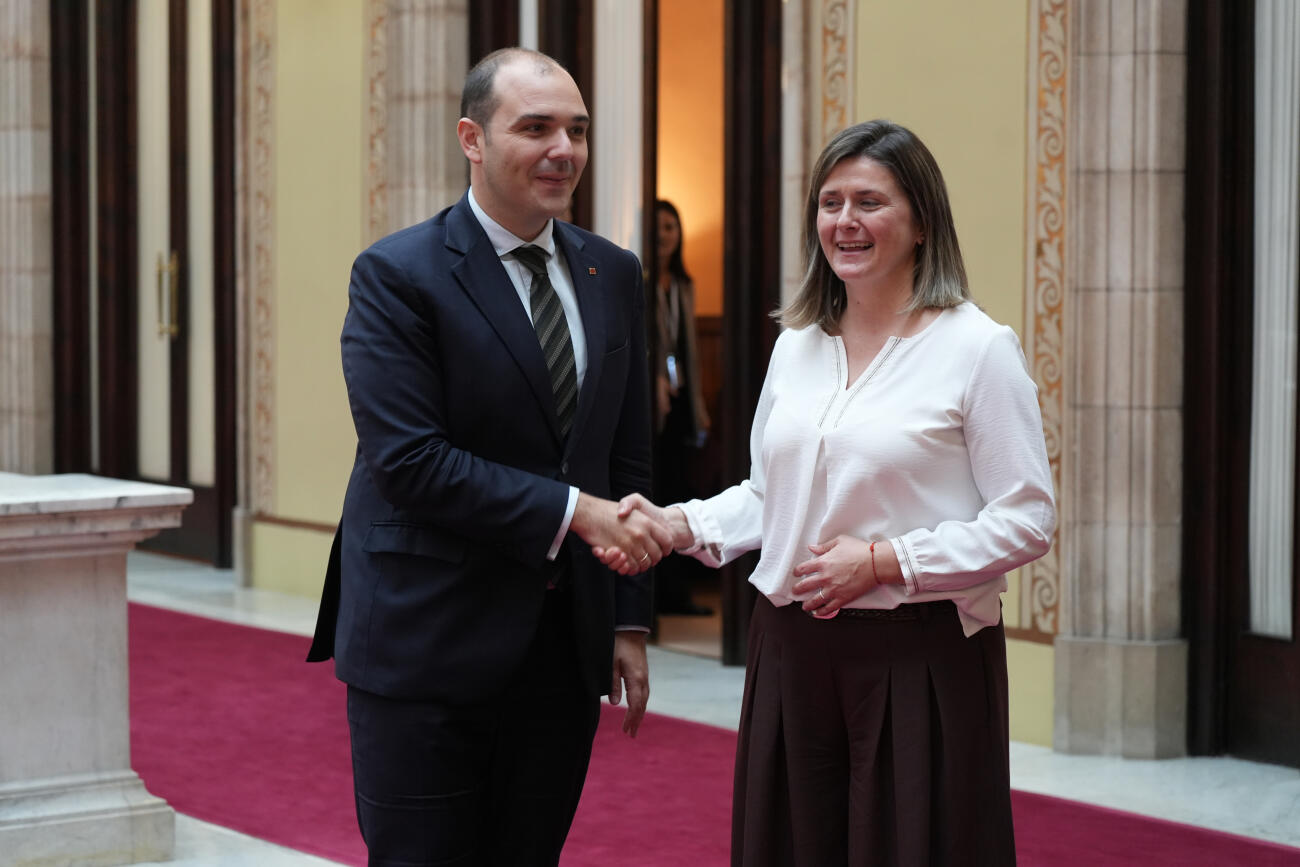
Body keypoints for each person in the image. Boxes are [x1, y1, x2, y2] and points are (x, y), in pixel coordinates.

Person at [602, 120, 1056, 865]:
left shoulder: (977, 348)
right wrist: (676, 523)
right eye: (830, 202)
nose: (845, 221)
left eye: (869, 202)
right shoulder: (797, 344)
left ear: (921, 222)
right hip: (790, 650)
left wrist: (885, 561)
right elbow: (768, 494)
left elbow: (1028, 519)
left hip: (920, 654)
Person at [307, 47, 672, 867]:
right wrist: (577, 513)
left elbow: (625, 457)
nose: (564, 150)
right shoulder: (397, 274)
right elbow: (411, 461)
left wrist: (627, 617)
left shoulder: (612, 272)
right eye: (535, 128)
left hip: (561, 649)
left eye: (577, 130)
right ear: (471, 139)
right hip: (425, 640)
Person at [651, 199, 713, 616]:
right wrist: (653, 378)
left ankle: (677, 593)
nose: (664, 235)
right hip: (651, 405)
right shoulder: (638, 279)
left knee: (679, 490)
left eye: (671, 227)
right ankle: (655, 596)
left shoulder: (683, 284)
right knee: (655, 491)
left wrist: (699, 406)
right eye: (657, 227)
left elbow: (688, 351)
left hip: (680, 401)